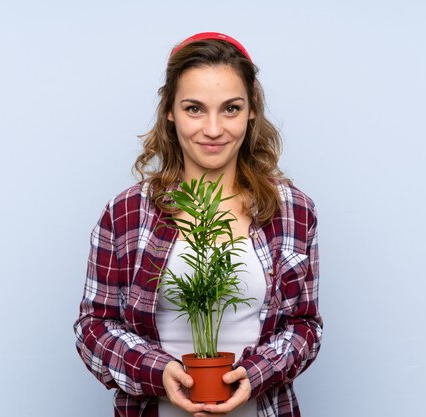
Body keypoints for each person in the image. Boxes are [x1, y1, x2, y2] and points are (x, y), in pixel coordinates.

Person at [74, 32, 323, 417]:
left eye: (230, 109)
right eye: (194, 109)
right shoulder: (127, 212)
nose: (212, 129)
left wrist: (253, 375)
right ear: (169, 112)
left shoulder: (293, 210)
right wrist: (160, 373)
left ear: (252, 110)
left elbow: (304, 326)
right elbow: (93, 327)